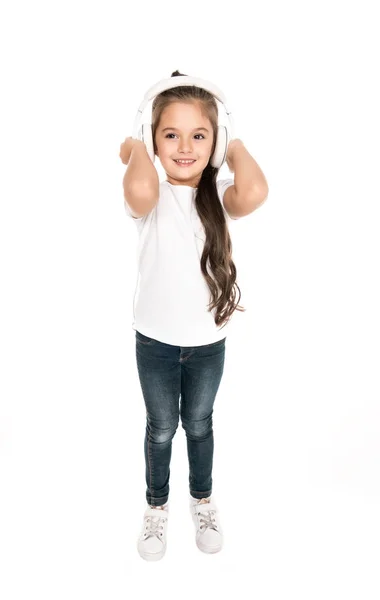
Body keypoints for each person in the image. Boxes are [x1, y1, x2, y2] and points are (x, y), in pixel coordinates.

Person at [119, 70, 268, 561]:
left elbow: (256, 192)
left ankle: (201, 500)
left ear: (216, 141)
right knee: (161, 428)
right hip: (155, 343)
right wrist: (135, 150)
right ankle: (156, 507)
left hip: (206, 344)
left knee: (199, 423)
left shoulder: (220, 194)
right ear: (153, 141)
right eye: (170, 135)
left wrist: (234, 149)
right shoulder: (151, 196)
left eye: (199, 135)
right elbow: (139, 185)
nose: (185, 146)